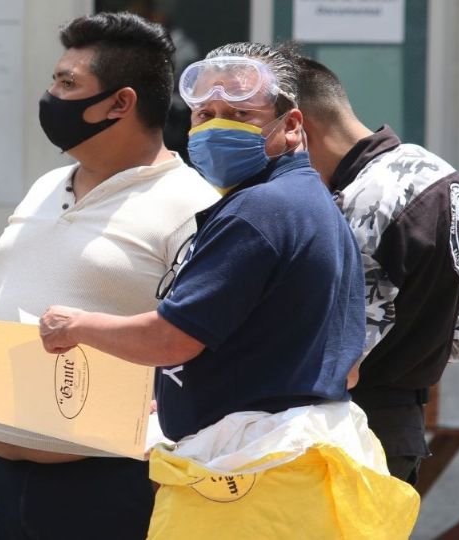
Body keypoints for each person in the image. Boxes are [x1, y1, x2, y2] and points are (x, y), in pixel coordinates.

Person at [39, 43, 418, 537]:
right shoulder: (308, 203)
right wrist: (189, 388)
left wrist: (76, 325)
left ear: (293, 125)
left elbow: (170, 339)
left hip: (254, 485)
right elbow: (340, 367)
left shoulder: (260, 212)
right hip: (292, 475)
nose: (217, 126)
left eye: (240, 114)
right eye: (205, 113)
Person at [0, 12, 217, 540]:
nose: (51, 95)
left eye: (67, 83)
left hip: (110, 489)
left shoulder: (196, 205)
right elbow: (4, 298)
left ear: (120, 102)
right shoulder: (46, 185)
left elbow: (199, 345)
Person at [295, 55, 459, 485]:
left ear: (299, 128)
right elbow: (458, 338)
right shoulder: (435, 172)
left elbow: (339, 361)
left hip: (349, 440)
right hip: (399, 430)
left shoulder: (367, 198)